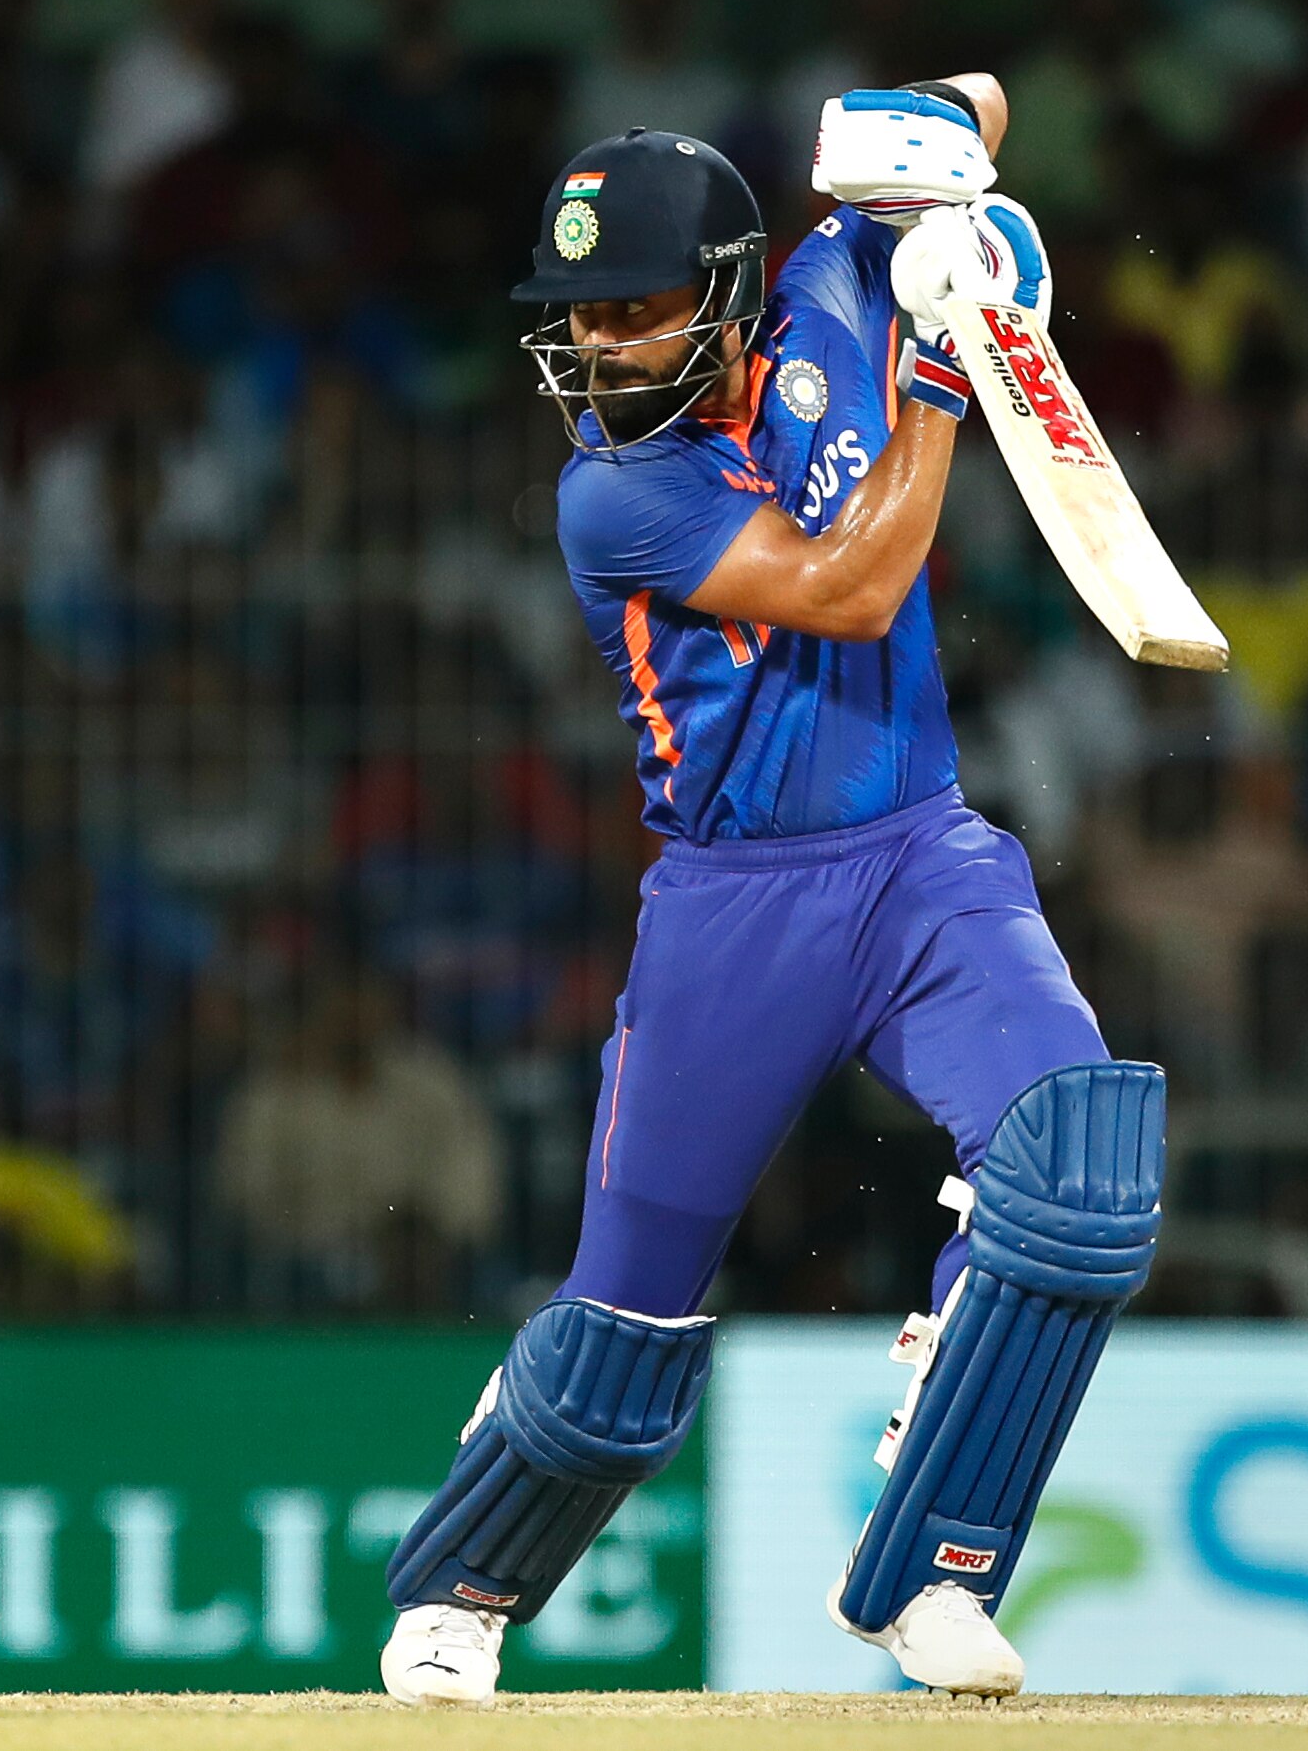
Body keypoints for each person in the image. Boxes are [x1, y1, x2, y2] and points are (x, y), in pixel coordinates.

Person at [376, 87, 1166, 1704]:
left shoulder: (833, 281)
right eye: (578, 314)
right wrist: (942, 373)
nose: (595, 344)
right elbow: (854, 588)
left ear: (735, 289)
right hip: (735, 906)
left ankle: (935, 1565)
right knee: (629, 1320)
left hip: (925, 855)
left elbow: (974, 107)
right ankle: (461, 1588)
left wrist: (956, 201)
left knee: (1080, 1171)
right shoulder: (614, 494)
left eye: (632, 307)